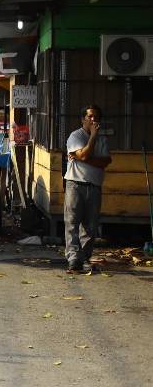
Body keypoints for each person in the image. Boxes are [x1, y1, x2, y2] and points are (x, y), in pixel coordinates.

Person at [64, 104, 112, 274]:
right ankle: (73, 259)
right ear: (83, 119)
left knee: (90, 227)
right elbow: (85, 154)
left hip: (94, 187)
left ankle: (84, 258)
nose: (93, 120)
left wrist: (82, 158)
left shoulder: (103, 139)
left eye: (96, 117)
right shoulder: (75, 136)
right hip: (75, 184)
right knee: (72, 224)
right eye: (90, 116)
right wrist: (91, 138)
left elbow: (105, 162)